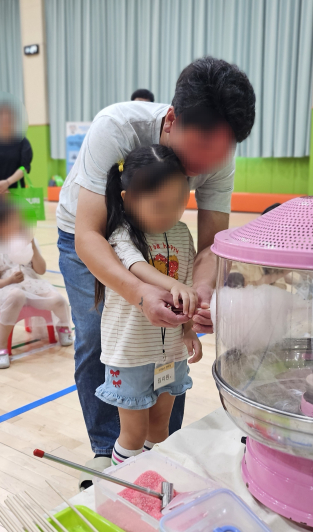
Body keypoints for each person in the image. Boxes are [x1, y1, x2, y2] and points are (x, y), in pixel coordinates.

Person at [56, 56, 255, 485]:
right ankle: (109, 450)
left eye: (220, 153)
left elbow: (210, 246)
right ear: (171, 121)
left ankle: (163, 445)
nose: (205, 164)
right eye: (198, 150)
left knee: (170, 339)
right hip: (89, 234)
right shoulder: (117, 127)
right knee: (97, 336)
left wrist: (200, 294)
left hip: (166, 239)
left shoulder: (218, 157)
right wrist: (137, 292)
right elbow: (90, 236)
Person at [94, 145, 202, 466]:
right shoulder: (121, 233)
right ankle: (123, 487)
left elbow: (189, 282)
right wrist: (174, 285)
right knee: (133, 434)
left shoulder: (181, 233)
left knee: (160, 428)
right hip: (131, 353)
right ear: (127, 199)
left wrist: (189, 330)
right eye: (159, 206)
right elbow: (135, 266)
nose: (170, 214)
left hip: (170, 355)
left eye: (179, 204)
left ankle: (153, 481)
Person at [0, 197, 73, 369]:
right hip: (5, 289)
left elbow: (41, 270)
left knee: (58, 298)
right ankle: (1, 348)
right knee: (17, 295)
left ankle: (63, 328)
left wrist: (32, 246)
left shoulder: (28, 243)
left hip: (30, 283)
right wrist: (10, 280)